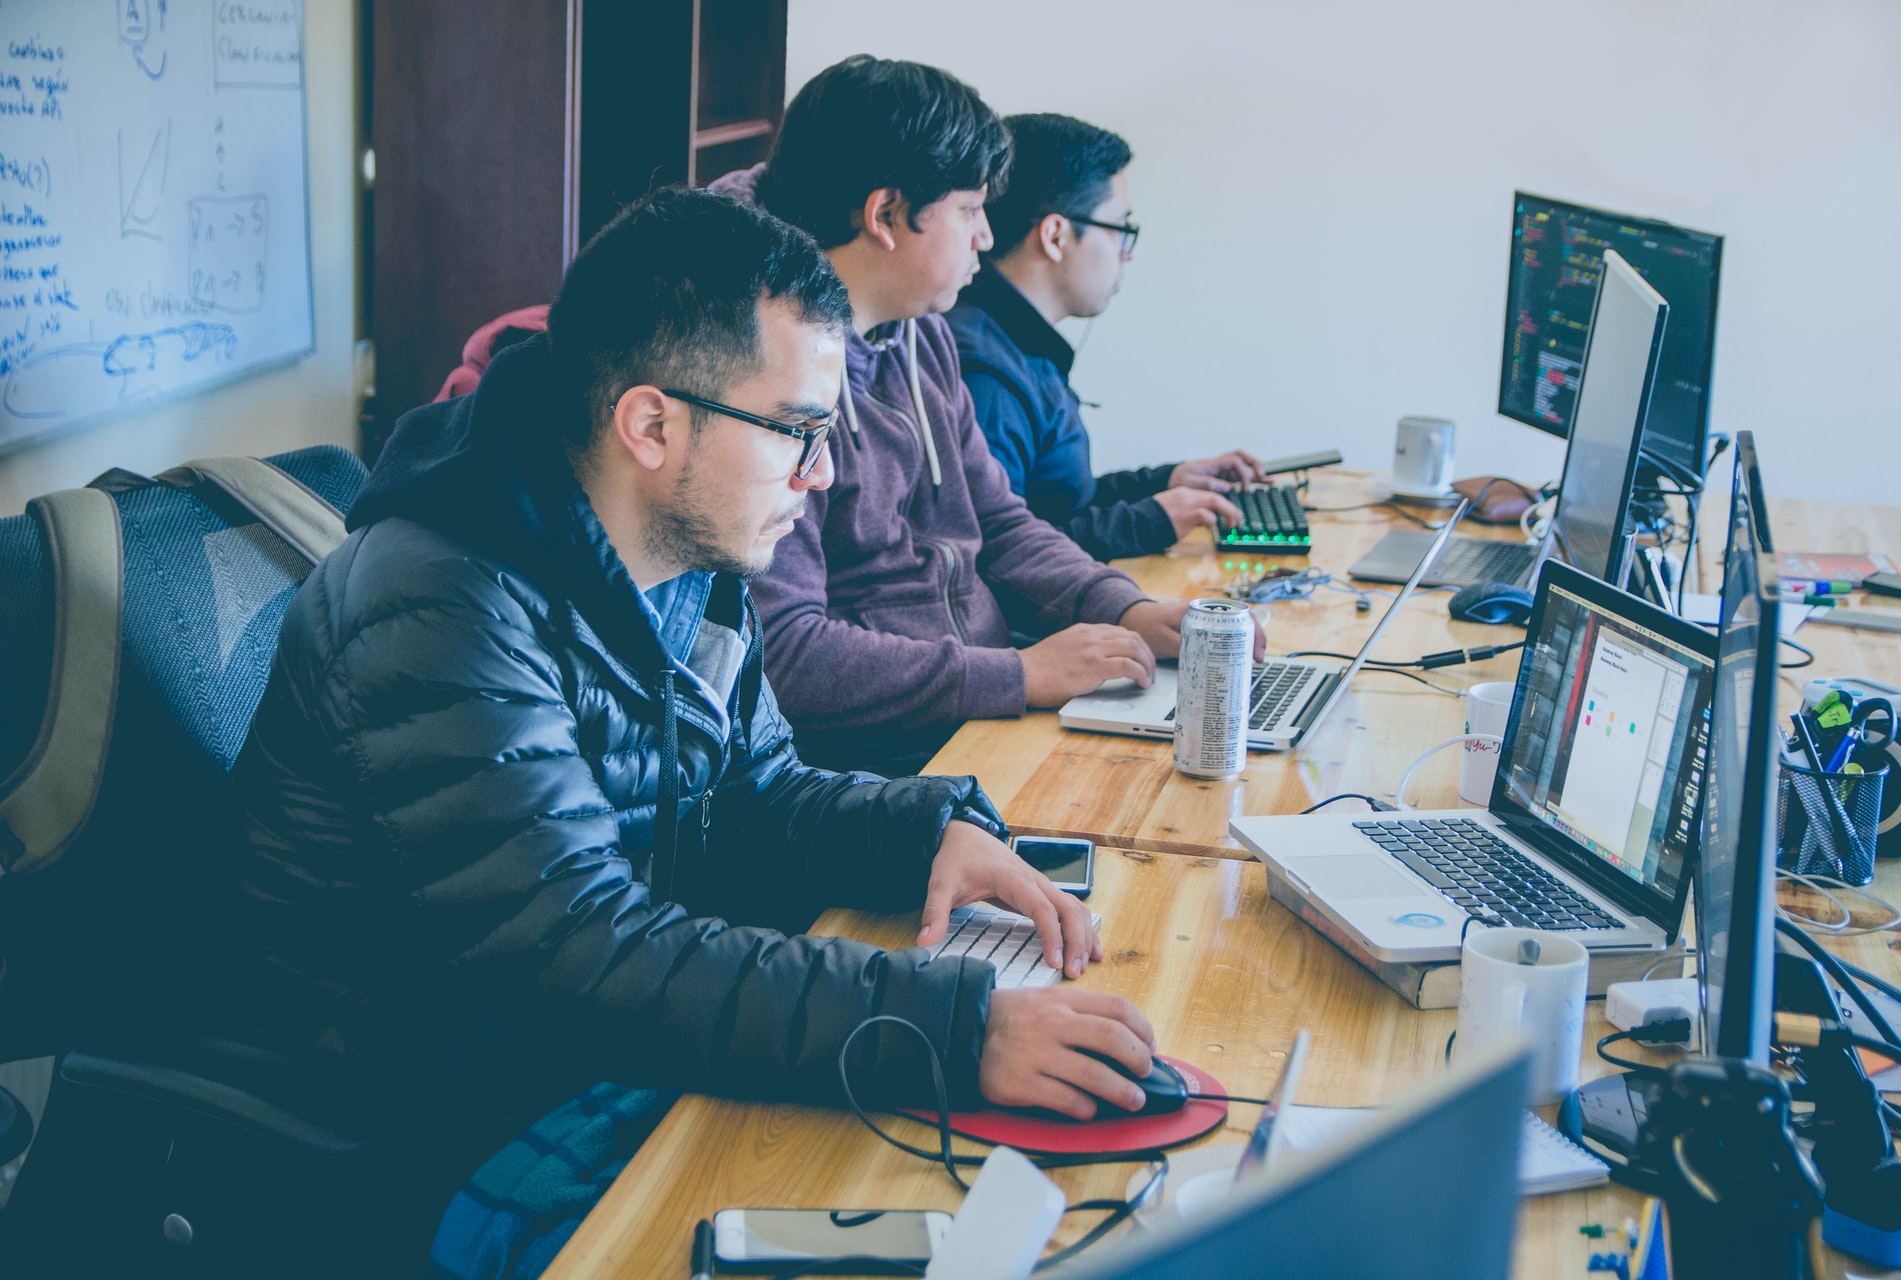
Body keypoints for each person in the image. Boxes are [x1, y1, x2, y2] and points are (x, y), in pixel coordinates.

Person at [222, 187, 1157, 1267]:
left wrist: (924, 828)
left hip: (588, 1051)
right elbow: (578, 950)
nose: (823, 473)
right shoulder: (438, 599)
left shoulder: (687, 551)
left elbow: (756, 787)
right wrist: (952, 1026)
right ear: (651, 423)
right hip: (427, 1117)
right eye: (799, 431)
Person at [712, 56, 1252, 777]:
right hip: (883, 761)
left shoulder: (921, 331)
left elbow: (998, 520)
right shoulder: (764, 384)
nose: (987, 237)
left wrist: (1123, 607)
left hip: (980, 713)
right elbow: (788, 651)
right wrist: (1017, 675)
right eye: (969, 211)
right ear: (886, 216)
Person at [947, 113, 1265, 562]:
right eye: (1122, 230)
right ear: (1055, 235)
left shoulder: (1020, 343)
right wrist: (1149, 521)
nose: (1126, 255)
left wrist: (1167, 481)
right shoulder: (985, 375)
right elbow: (998, 556)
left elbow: (1055, 502)